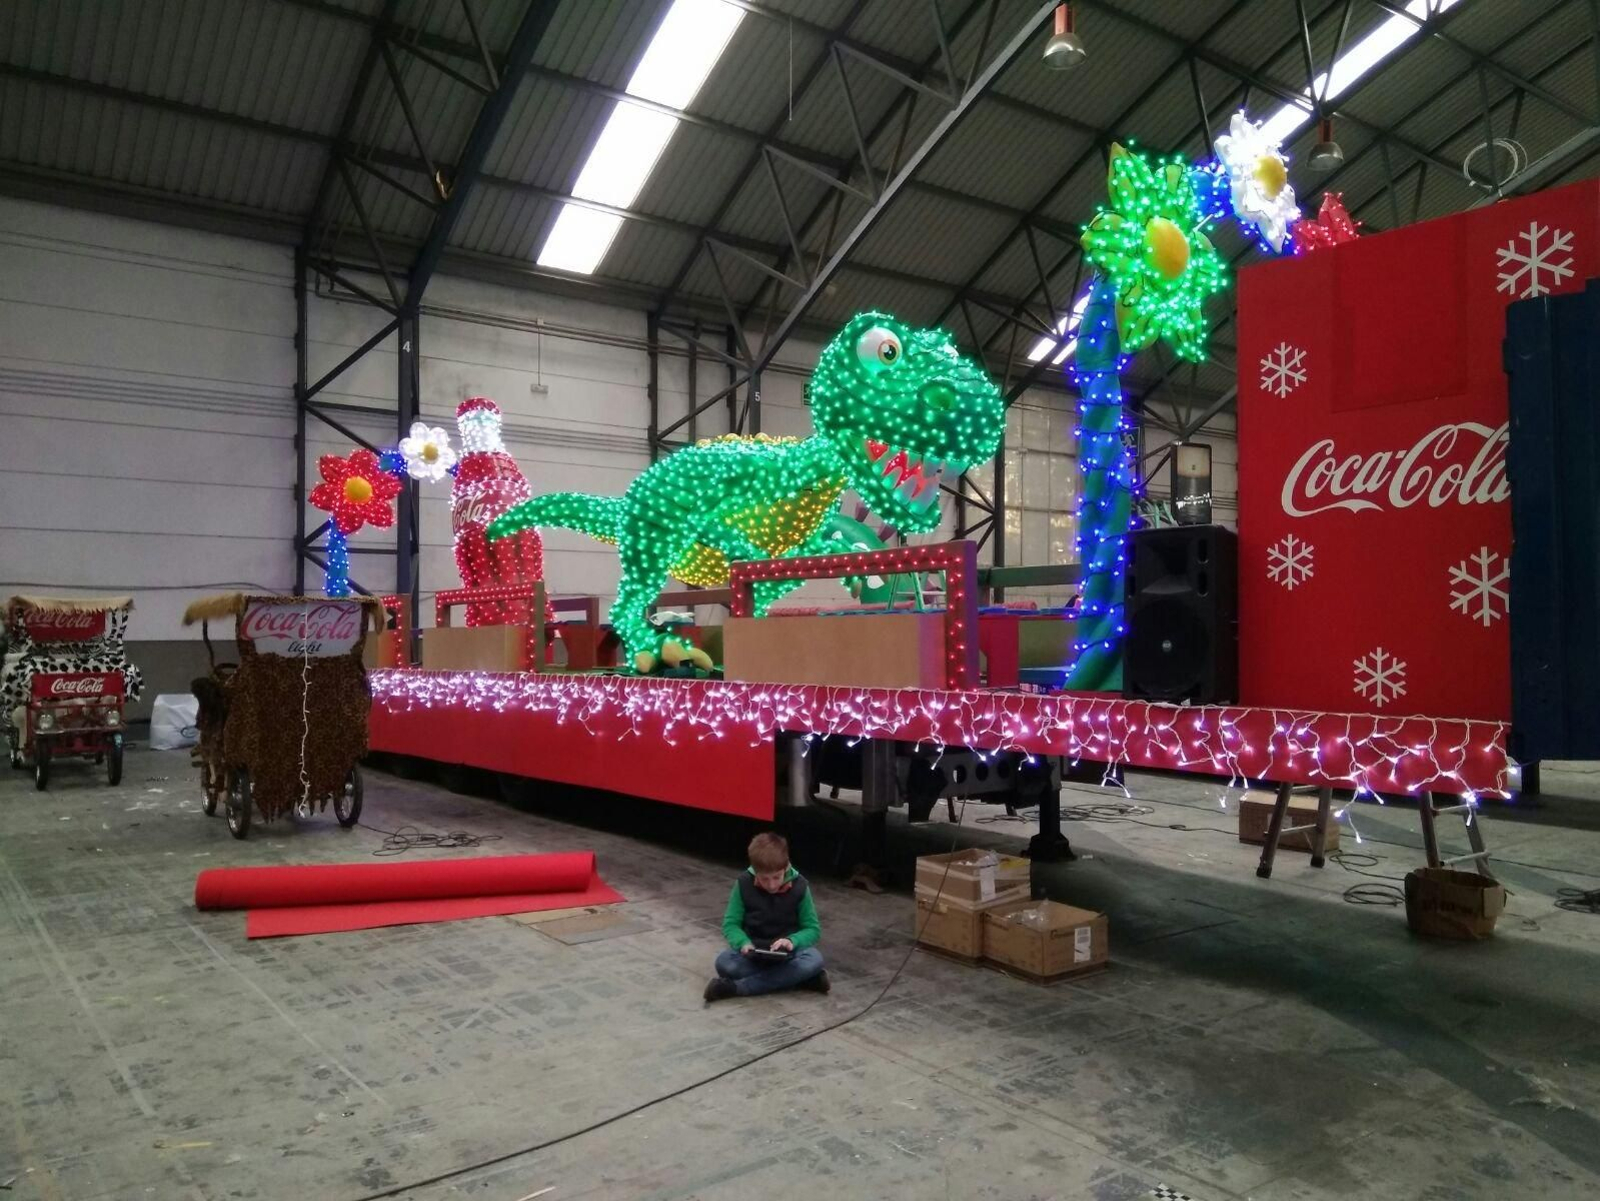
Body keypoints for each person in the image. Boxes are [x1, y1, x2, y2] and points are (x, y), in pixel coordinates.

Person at [705, 832, 829, 1002]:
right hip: (754, 953)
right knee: (724, 962)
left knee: (814, 959)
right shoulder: (743, 883)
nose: (772, 885)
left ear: (785, 868)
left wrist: (792, 941)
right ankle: (800, 980)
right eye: (764, 879)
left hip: (787, 955)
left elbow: (812, 929)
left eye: (776, 877)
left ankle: (738, 988)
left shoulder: (800, 886)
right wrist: (743, 942)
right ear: (755, 872)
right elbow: (730, 924)